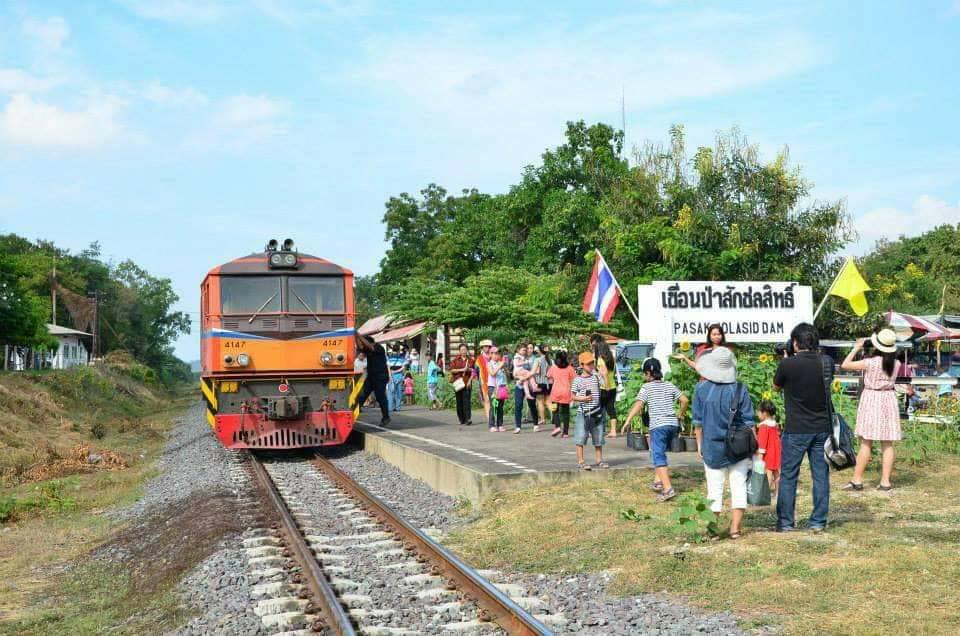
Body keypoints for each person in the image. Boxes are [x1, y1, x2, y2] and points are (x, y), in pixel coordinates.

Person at [773, 322, 833, 533]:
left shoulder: (787, 365)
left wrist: (786, 360)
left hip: (796, 428)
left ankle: (786, 523)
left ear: (795, 342)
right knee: (820, 475)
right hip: (822, 428)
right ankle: (818, 521)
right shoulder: (826, 362)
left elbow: (776, 387)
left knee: (789, 475)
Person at [692, 347, 755, 538]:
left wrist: (699, 445)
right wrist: (755, 448)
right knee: (738, 486)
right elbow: (749, 421)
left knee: (714, 489)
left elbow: (698, 423)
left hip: (712, 445)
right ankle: (735, 529)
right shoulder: (739, 388)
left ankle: (712, 530)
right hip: (739, 446)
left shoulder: (701, 389)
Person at [841, 329, 902, 491]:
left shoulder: (871, 362)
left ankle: (857, 479)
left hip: (872, 398)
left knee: (866, 442)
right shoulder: (897, 364)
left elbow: (845, 365)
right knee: (887, 443)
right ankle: (885, 481)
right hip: (888, 398)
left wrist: (857, 347)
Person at [624, 358, 688, 502]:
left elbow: (638, 405)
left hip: (658, 426)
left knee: (658, 456)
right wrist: (680, 414)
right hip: (672, 424)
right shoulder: (669, 385)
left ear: (648, 373)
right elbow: (684, 400)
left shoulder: (647, 388)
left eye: (644, 374)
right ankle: (658, 481)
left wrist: (628, 420)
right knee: (658, 451)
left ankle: (668, 489)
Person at [572, 351, 608, 470]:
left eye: (592, 363)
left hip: (596, 411)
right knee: (581, 436)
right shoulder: (577, 380)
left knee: (598, 437)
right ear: (582, 365)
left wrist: (604, 375)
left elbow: (606, 387)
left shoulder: (596, 377)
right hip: (583, 412)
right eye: (588, 364)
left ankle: (599, 460)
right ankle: (581, 461)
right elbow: (572, 396)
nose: (591, 366)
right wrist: (583, 398)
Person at [355, 335, 391, 426]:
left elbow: (368, 346)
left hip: (380, 376)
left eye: (364, 343)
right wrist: (355, 336)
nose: (363, 345)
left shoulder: (379, 347)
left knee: (380, 397)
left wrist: (358, 335)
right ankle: (354, 413)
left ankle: (386, 417)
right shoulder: (367, 349)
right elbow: (360, 347)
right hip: (371, 377)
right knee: (362, 395)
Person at [591, 335, 620, 438]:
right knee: (611, 409)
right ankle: (613, 431)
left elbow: (604, 373)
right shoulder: (611, 357)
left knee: (598, 410)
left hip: (604, 388)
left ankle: (597, 430)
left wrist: (606, 386)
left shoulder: (600, 359)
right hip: (613, 387)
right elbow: (610, 372)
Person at [755, 400, 782, 493]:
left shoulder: (764, 427)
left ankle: (764, 493)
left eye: (758, 412)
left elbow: (762, 443)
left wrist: (760, 456)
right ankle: (778, 493)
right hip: (776, 452)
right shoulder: (774, 425)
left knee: (768, 474)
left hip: (768, 454)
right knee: (777, 473)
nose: (757, 414)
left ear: (764, 413)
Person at [547, 350, 576, 437]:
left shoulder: (553, 367)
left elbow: (548, 376)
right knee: (566, 412)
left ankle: (557, 426)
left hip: (555, 392)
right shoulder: (570, 368)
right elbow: (574, 379)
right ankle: (566, 433)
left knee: (554, 410)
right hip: (566, 392)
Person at [512, 344, 538, 433]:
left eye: (530, 348)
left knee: (532, 405)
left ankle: (535, 424)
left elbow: (536, 371)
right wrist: (520, 378)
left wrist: (525, 376)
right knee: (518, 405)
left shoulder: (534, 359)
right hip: (519, 385)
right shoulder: (517, 358)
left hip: (529, 384)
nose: (528, 350)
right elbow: (514, 374)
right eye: (527, 349)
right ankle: (518, 426)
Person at [449, 343, 475, 426]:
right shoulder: (455, 360)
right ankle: (461, 419)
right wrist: (462, 369)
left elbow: (474, 371)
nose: (463, 351)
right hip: (458, 383)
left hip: (467, 382)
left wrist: (469, 374)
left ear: (467, 350)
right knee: (459, 401)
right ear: (459, 351)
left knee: (467, 402)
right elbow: (452, 370)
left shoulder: (471, 360)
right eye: (462, 350)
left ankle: (468, 419)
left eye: (465, 349)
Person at [529, 344, 552, 432]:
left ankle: (542, 419)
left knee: (540, 402)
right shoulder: (550, 360)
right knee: (548, 402)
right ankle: (555, 417)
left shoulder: (537, 360)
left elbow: (533, 372)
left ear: (539, 350)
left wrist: (525, 376)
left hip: (539, 382)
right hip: (548, 383)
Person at [486, 347, 508, 432]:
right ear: (491, 354)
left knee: (500, 407)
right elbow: (492, 373)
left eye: (498, 354)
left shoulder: (501, 363)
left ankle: (500, 424)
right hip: (493, 388)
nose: (496, 355)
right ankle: (492, 425)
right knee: (494, 406)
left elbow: (506, 376)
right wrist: (499, 366)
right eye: (494, 353)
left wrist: (504, 368)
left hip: (501, 387)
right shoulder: (489, 364)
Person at [477, 339, 494, 425]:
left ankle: (494, 417)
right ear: (482, 348)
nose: (487, 348)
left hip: (494, 381)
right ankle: (489, 419)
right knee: (487, 400)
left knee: (495, 400)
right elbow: (475, 370)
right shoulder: (479, 359)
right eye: (486, 346)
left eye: (489, 346)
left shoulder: (494, 356)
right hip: (484, 382)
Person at [387, 345, 406, 412]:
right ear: (398, 350)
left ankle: (390, 408)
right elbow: (403, 368)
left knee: (391, 392)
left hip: (391, 376)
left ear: (392, 350)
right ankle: (397, 407)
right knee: (398, 392)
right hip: (399, 376)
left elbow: (388, 368)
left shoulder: (389, 357)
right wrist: (402, 375)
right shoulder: (402, 357)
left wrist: (390, 376)